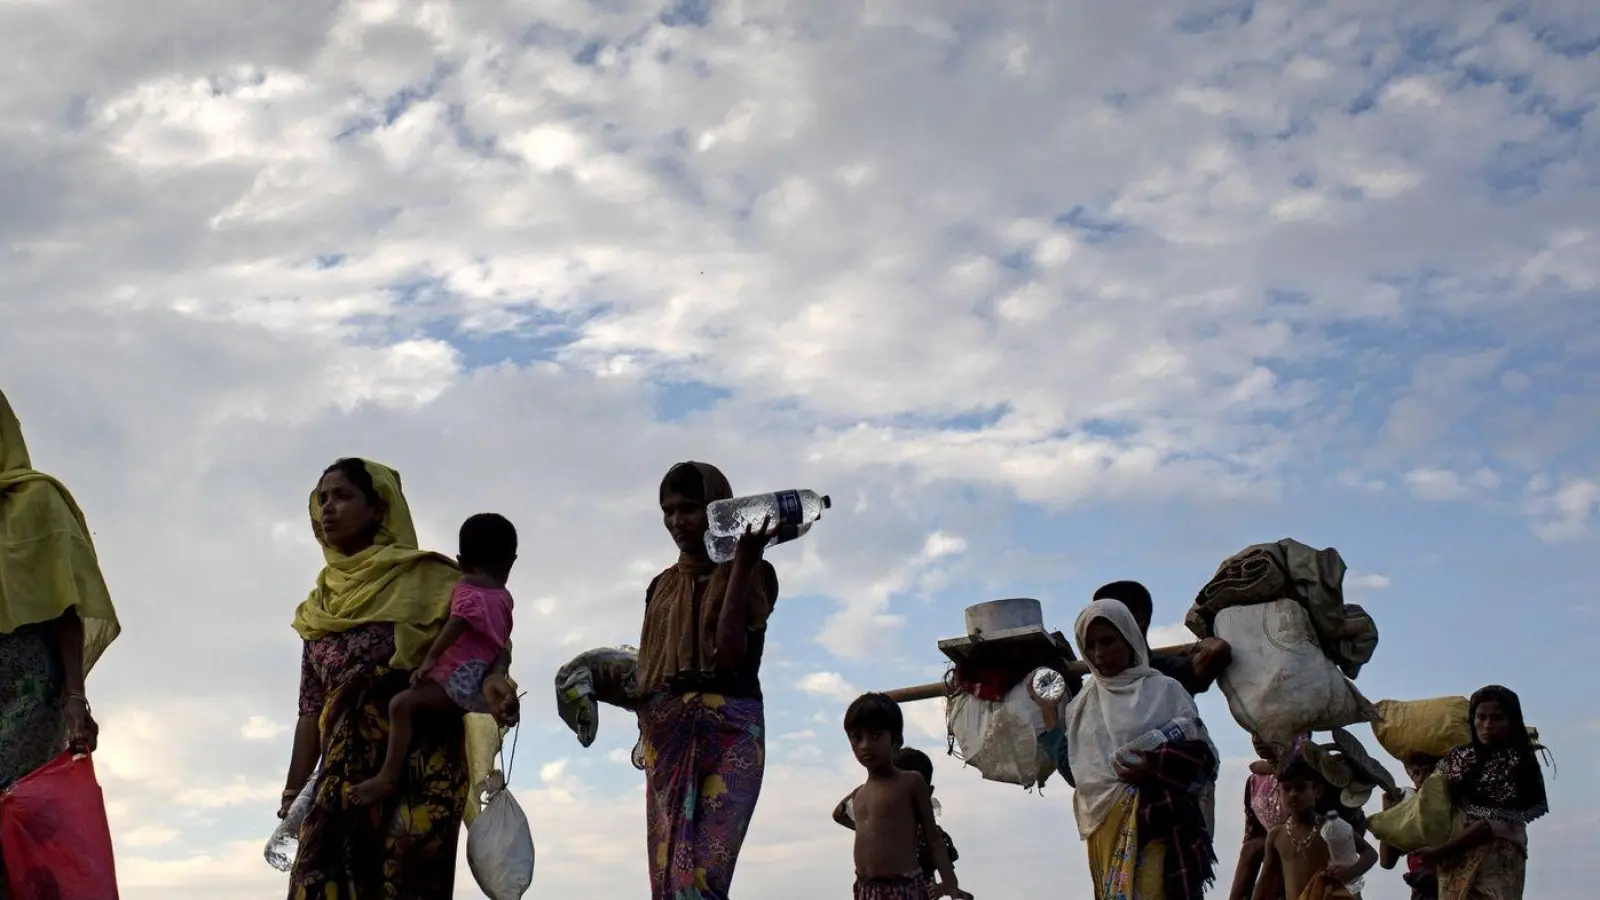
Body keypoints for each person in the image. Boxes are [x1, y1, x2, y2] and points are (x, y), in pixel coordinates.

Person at [280, 458, 518, 900]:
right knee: (319, 883)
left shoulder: (435, 579)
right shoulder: (319, 608)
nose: (327, 509)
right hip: (341, 783)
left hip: (419, 771)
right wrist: (293, 791)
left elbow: (485, 645)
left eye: (343, 496)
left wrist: (496, 681)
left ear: (378, 507)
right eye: (322, 499)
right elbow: (310, 710)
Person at [634, 461, 781, 900]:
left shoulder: (757, 574)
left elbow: (730, 653)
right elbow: (648, 677)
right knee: (668, 877)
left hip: (731, 731)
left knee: (703, 878)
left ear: (718, 510)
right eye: (668, 511)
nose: (677, 522)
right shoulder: (660, 586)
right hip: (669, 738)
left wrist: (743, 562)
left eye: (689, 509)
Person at [0, 389, 122, 895]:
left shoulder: (39, 499)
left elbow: (68, 604)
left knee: (16, 811)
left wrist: (75, 698)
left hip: (27, 691)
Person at [349, 512, 517, 806]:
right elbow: (501, 643)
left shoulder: (467, 587)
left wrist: (429, 660)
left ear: (460, 560)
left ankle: (387, 777)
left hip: (456, 676)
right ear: (511, 561)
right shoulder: (505, 598)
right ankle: (499, 704)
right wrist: (495, 676)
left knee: (401, 705)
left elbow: (456, 624)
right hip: (479, 679)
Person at [1056, 598, 1218, 900]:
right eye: (1089, 646)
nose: (1099, 653)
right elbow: (1078, 774)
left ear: (1129, 637)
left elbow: (1205, 759)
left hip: (1161, 830)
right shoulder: (1080, 707)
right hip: (1106, 832)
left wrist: (1156, 767)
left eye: (1108, 641)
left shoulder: (1166, 690)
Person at [1093, 579, 1231, 835]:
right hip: (1115, 819)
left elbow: (1218, 651)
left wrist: (1156, 765)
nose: (1099, 652)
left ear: (1137, 620)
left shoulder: (1166, 676)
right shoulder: (1095, 694)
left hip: (1169, 812)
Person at [1414, 686, 1547, 900]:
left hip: (1497, 865)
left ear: (1511, 721)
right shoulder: (1458, 758)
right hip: (1455, 863)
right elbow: (1434, 798)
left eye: (1497, 718)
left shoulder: (1519, 762)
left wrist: (1441, 851)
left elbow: (1491, 823)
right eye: (1481, 717)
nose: (1487, 725)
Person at [838, 693, 971, 900]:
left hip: (902, 887)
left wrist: (951, 885)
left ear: (896, 741)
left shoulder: (911, 782)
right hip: (866, 889)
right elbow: (842, 816)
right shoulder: (859, 794)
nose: (864, 745)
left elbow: (933, 838)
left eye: (875, 736)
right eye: (857, 737)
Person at [833, 746, 962, 897]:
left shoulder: (930, 836)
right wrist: (867, 787)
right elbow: (839, 814)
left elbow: (949, 879)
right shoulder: (881, 829)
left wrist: (942, 889)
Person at [1252, 756, 1377, 900]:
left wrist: (1349, 873)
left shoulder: (1331, 827)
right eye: (1286, 789)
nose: (1293, 794)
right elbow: (1265, 881)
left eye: (1300, 788)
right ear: (1279, 794)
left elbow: (1370, 853)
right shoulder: (1276, 836)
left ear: (1317, 791)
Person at [1232, 733, 1304, 900]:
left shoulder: (1309, 778)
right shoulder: (1254, 781)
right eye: (1253, 734)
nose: (1257, 740)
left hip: (1307, 859)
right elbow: (1252, 835)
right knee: (1251, 848)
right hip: (1273, 860)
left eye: (1265, 733)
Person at [1378, 755, 1445, 900]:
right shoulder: (1409, 807)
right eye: (1416, 773)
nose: (1420, 778)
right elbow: (1386, 862)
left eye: (1428, 771)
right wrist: (1388, 814)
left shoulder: (1455, 803)